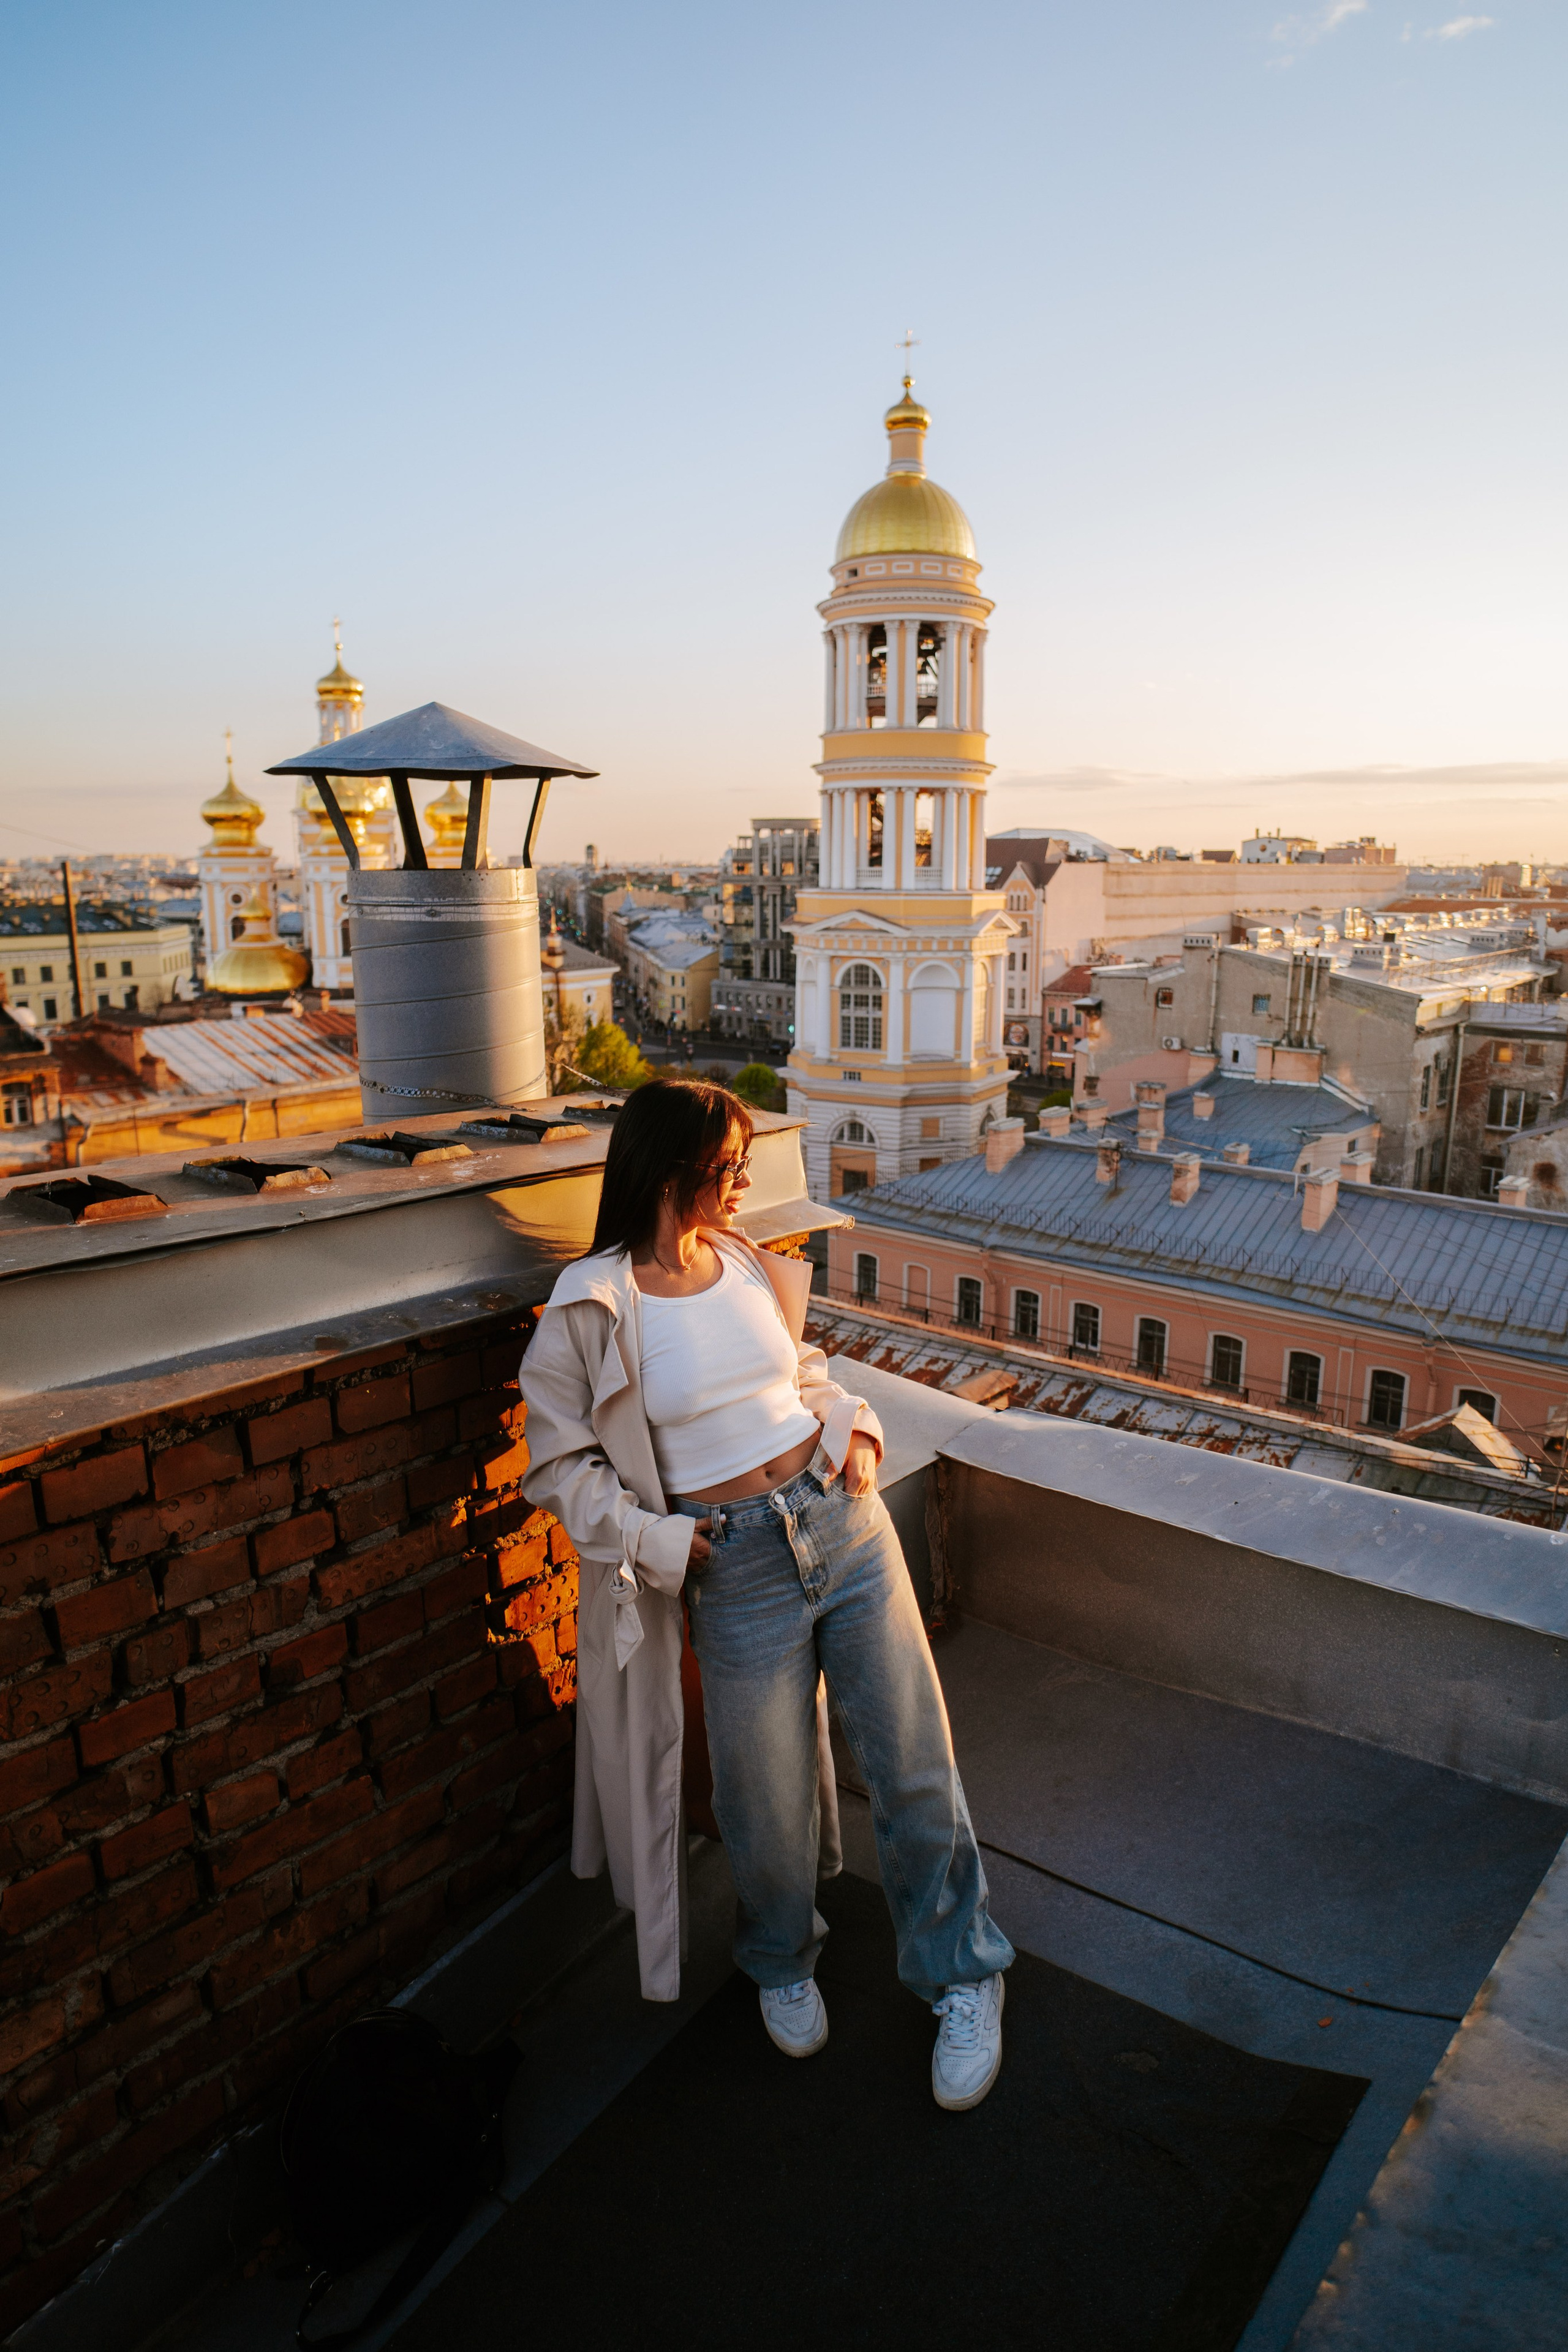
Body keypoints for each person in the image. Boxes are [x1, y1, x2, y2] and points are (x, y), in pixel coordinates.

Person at [518, 1079, 1014, 2109]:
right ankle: (782, 1964)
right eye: (729, 1168)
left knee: (914, 1761)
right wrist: (656, 1539)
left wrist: (856, 1428)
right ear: (671, 1174)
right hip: (731, 1561)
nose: (746, 1184)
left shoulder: (744, 1261)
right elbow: (559, 1469)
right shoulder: (592, 1307)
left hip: (842, 1517)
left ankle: (964, 1972)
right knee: (763, 1796)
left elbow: (799, 1374)